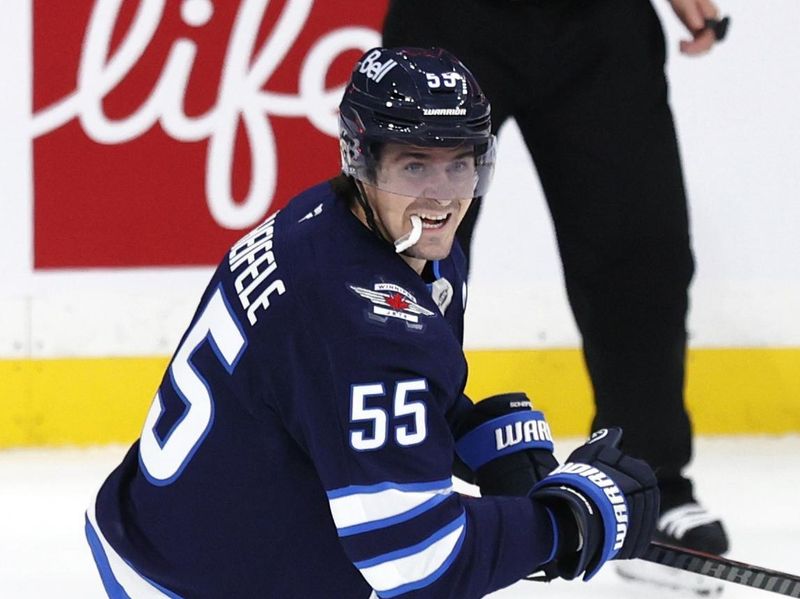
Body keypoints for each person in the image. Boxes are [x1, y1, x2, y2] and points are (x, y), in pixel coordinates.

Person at [84, 47, 659, 598]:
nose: (441, 197)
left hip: (167, 530)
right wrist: (563, 524)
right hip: (194, 583)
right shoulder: (368, 320)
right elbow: (418, 564)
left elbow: (325, 393)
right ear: (360, 158)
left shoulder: (337, 224)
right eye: (414, 164)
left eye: (460, 164)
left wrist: (471, 435)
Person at [383, 1, 730, 594]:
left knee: (642, 251)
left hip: (597, 20)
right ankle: (380, 473)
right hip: (452, 16)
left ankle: (646, 485)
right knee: (407, 247)